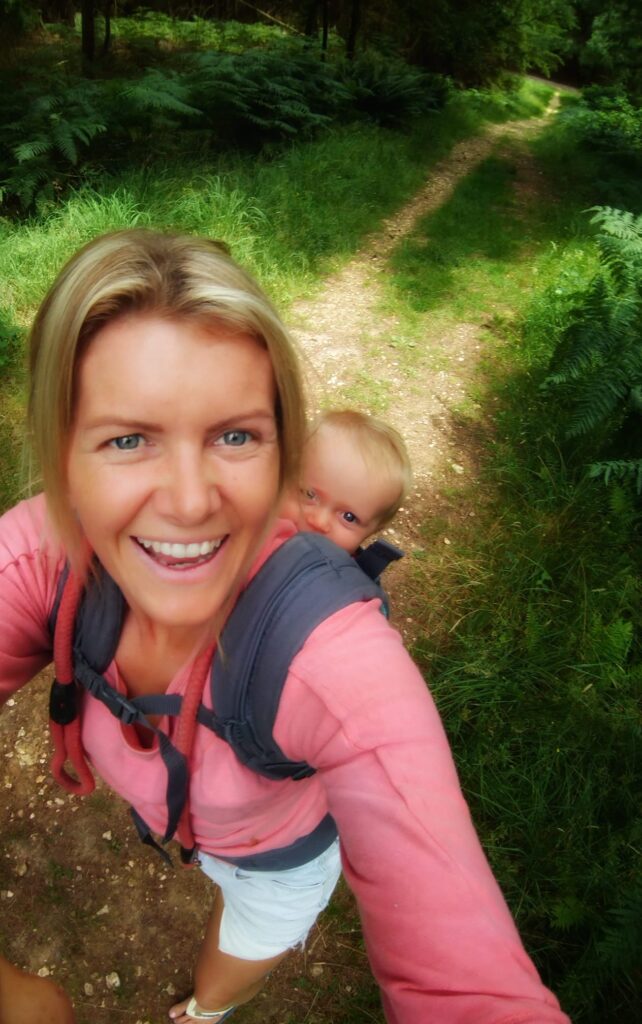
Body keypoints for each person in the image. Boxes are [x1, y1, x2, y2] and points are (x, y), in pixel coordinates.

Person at [0, 229, 571, 1024]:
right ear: (64, 456)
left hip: (277, 865)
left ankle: (204, 1011)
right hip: (183, 821)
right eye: (128, 439)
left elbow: (472, 993)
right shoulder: (38, 561)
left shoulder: (333, 657)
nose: (192, 501)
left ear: (281, 449)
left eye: (235, 435)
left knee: (231, 971)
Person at [280, 409, 411, 554]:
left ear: (372, 531)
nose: (319, 522)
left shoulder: (339, 576)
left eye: (349, 517)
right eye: (309, 494)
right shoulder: (254, 529)